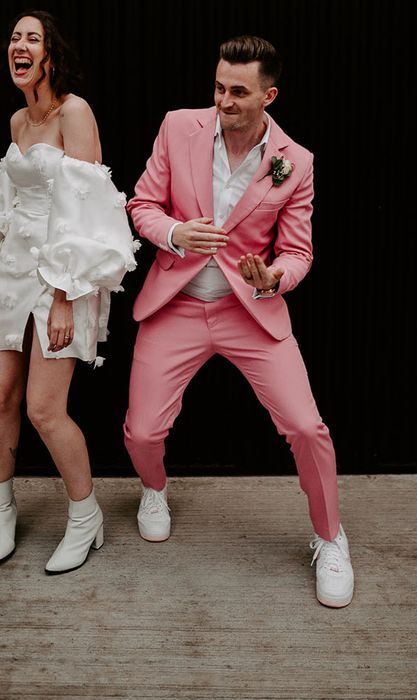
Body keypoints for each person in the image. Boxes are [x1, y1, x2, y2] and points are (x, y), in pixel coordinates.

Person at [123, 36, 354, 607]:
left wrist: (274, 278)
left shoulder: (294, 163)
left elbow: (298, 253)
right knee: (142, 432)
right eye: (219, 87)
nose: (223, 100)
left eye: (238, 92)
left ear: (268, 96)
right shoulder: (178, 127)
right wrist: (175, 233)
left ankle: (331, 539)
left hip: (250, 313)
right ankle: (154, 491)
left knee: (307, 427)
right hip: (176, 304)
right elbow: (141, 205)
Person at [0, 10, 138, 574]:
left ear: (51, 54)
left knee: (44, 409)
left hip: (63, 276)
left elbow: (90, 212)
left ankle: (86, 517)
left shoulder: (73, 112)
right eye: (13, 38)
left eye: (32, 38)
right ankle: (0, 508)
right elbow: (9, 206)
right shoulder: (17, 122)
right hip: (11, 272)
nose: (19, 46)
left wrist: (63, 296)